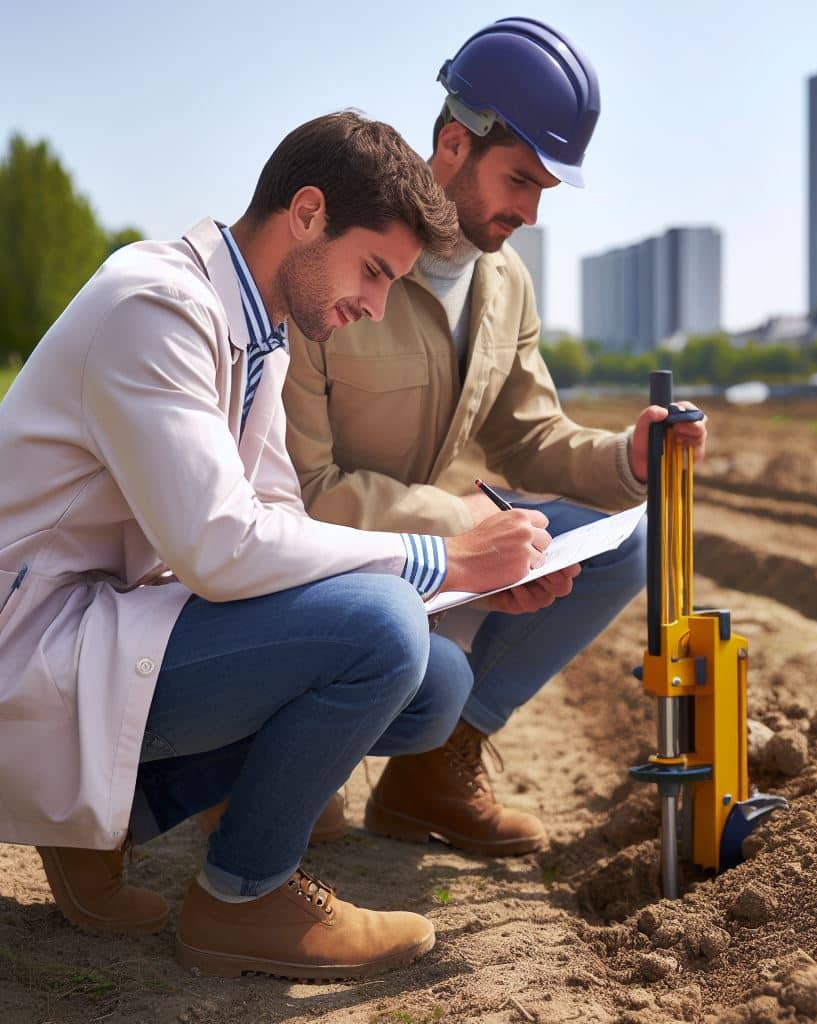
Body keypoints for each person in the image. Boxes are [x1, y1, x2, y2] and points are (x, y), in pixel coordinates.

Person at [0, 111, 562, 981]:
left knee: (433, 680)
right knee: (379, 631)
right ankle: (241, 896)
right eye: (373, 271)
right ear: (306, 214)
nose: (376, 307)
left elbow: (281, 524)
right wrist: (442, 559)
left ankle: (107, 820)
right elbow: (224, 546)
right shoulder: (156, 306)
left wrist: (463, 586)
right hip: (27, 653)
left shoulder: (257, 331)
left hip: (104, 632)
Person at [282, 20, 708, 858]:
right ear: (451, 143)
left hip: (428, 551)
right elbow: (300, 488)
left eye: (545, 189)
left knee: (622, 547)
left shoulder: (506, 280)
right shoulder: (334, 261)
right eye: (520, 179)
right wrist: (463, 523)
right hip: (311, 560)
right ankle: (262, 756)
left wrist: (626, 456)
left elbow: (528, 435)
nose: (530, 211)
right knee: (305, 814)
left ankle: (431, 772)